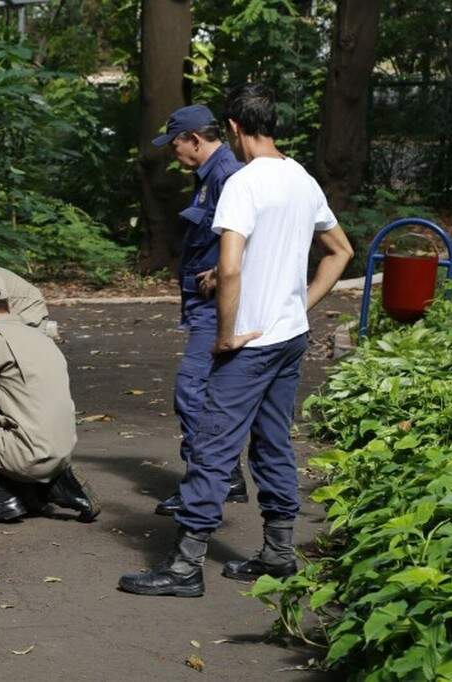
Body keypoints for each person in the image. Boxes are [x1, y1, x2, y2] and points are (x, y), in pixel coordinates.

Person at [118, 84, 354, 597]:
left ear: (233, 128)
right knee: (272, 444)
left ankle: (184, 568)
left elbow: (228, 269)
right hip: (290, 337)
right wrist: (300, 305)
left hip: (249, 343)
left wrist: (224, 337)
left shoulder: (244, 184)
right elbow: (340, 251)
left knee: (212, 447)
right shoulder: (302, 179)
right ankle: (278, 553)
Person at [0, 270, 99, 524]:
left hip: (29, 453)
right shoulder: (39, 334)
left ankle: (1, 497)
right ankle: (52, 484)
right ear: (8, 304)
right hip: (62, 450)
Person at [147, 106, 248, 517]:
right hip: (204, 302)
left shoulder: (226, 176)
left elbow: (247, 233)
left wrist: (223, 272)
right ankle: (224, 476)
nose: (174, 153)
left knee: (191, 391)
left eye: (176, 145)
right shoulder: (211, 176)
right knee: (208, 392)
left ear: (194, 139)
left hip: (215, 305)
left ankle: (208, 481)